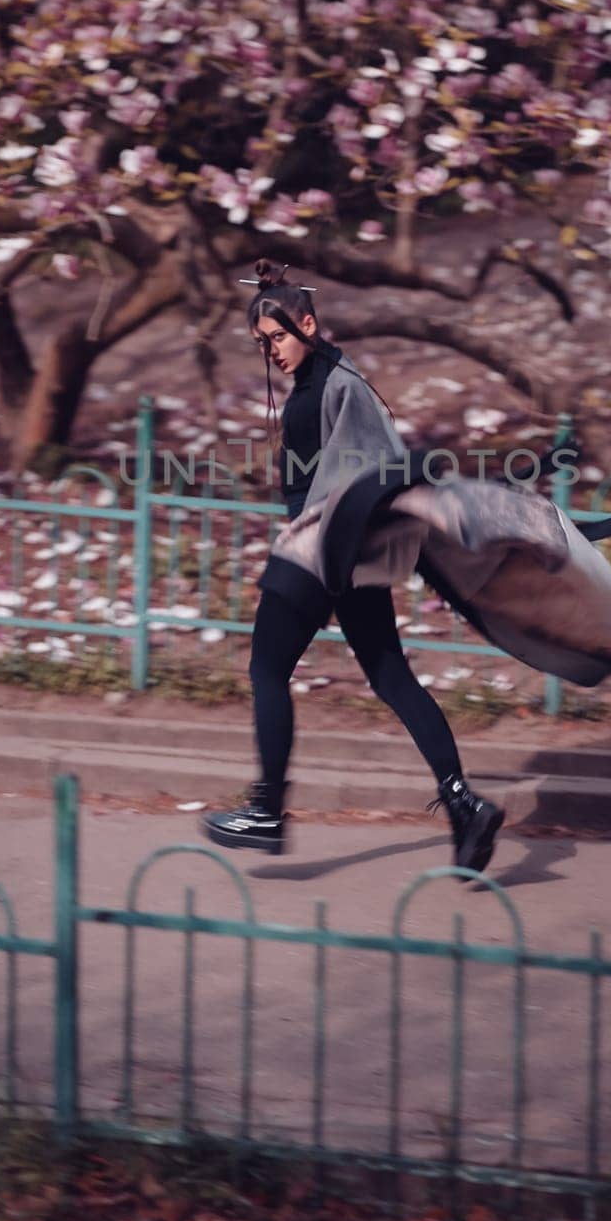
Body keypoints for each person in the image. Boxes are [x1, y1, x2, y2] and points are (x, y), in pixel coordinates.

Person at [201, 258, 506, 874]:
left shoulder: (340, 381)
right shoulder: (319, 380)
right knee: (392, 677)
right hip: (340, 550)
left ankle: (265, 809)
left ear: (308, 322)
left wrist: (332, 526)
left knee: (266, 668)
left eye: (279, 336)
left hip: (323, 547)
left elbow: (379, 465)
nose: (272, 351)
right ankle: (464, 805)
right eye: (263, 343)